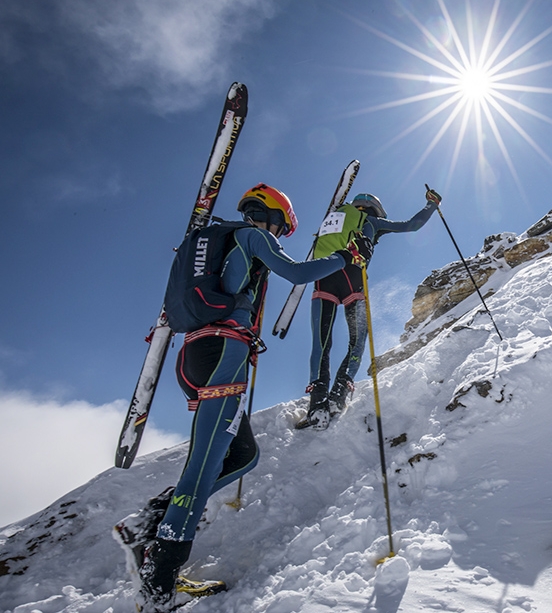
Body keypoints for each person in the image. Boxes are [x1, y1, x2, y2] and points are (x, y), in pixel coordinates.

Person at [114, 183, 372, 613]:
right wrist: (343, 257)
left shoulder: (211, 243)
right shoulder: (251, 235)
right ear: (271, 215)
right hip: (224, 353)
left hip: (194, 355)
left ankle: (151, 521)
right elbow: (297, 272)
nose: (280, 236)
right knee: (200, 473)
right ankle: (159, 586)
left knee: (243, 454)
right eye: (282, 228)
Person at [299, 187, 441, 429]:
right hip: (352, 278)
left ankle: (317, 403)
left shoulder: (333, 219)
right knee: (357, 340)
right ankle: (339, 395)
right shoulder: (372, 221)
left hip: (323, 277)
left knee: (321, 343)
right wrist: (432, 205)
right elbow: (412, 225)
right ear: (375, 209)